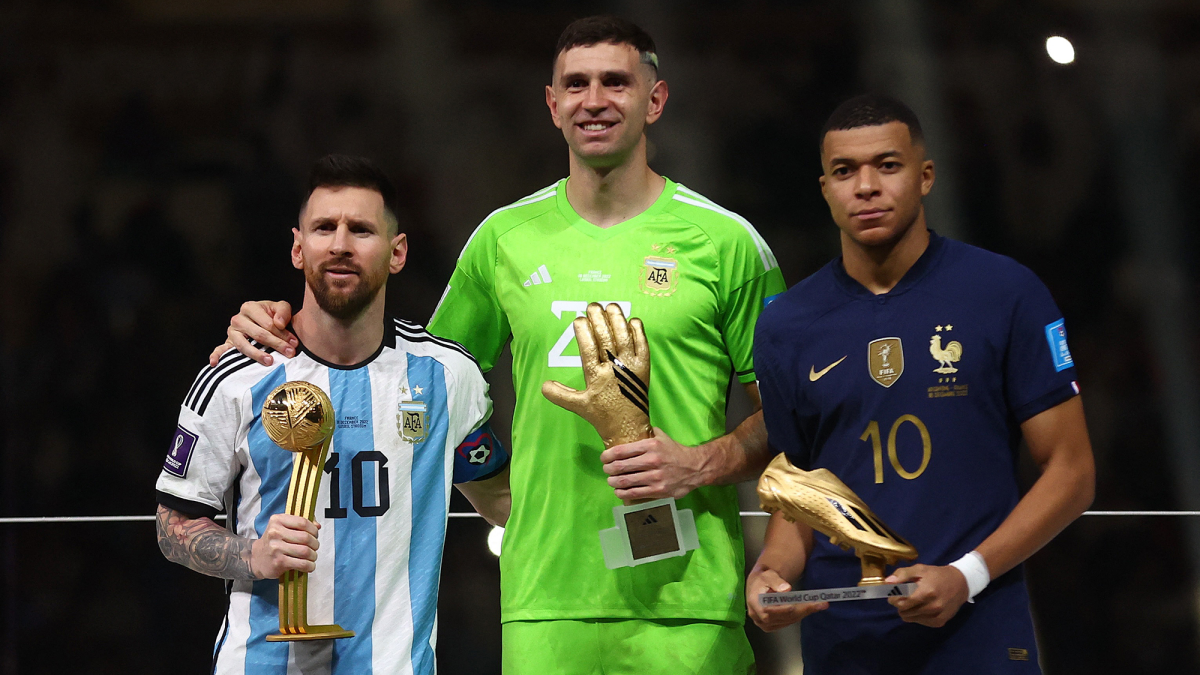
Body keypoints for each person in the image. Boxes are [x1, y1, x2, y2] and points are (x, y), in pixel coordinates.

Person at [214, 16, 785, 674]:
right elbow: (422, 388)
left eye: (615, 82)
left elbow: (794, 418)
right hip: (544, 601)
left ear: (655, 100)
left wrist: (698, 463)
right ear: (552, 104)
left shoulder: (726, 243)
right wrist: (280, 332)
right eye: (575, 84)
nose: (594, 99)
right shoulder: (503, 239)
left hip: (690, 600)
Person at [746, 94, 1096, 673]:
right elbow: (800, 486)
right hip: (844, 647)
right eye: (844, 171)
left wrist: (968, 575)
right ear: (825, 188)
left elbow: (1073, 472)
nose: (865, 186)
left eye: (887, 165)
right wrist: (773, 571)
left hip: (978, 635)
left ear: (925, 175)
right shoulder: (787, 323)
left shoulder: (1004, 293)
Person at [155, 155, 511, 675]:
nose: (341, 244)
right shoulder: (237, 375)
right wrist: (253, 556)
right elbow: (172, 524)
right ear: (299, 248)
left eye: (361, 229)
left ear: (398, 252)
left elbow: (504, 501)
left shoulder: (446, 376)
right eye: (325, 228)